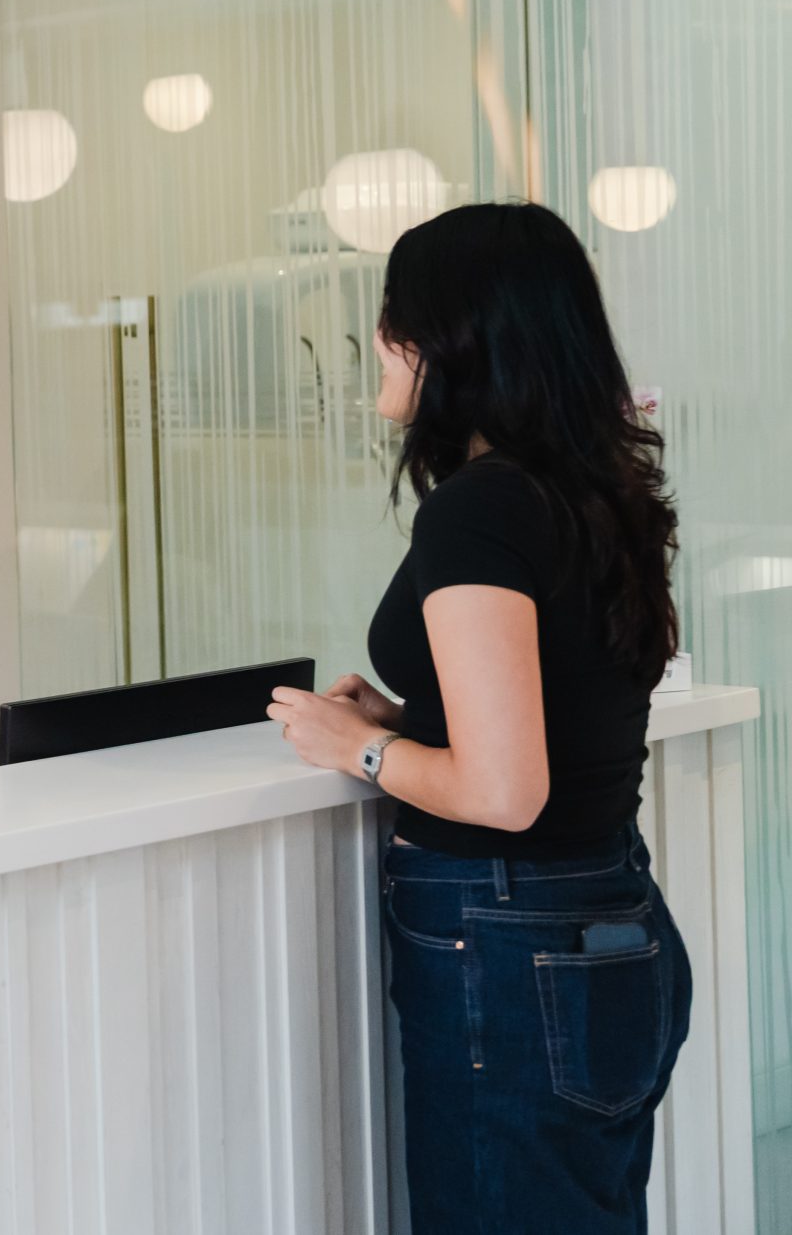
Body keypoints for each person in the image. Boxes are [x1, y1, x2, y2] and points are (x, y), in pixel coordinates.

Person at [267, 202, 687, 1233]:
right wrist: (412, 717)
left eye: (392, 315)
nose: (376, 340)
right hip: (608, 919)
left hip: (509, 943)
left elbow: (504, 792)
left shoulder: (477, 507)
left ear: (453, 339)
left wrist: (358, 745)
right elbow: (565, 702)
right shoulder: (588, 489)